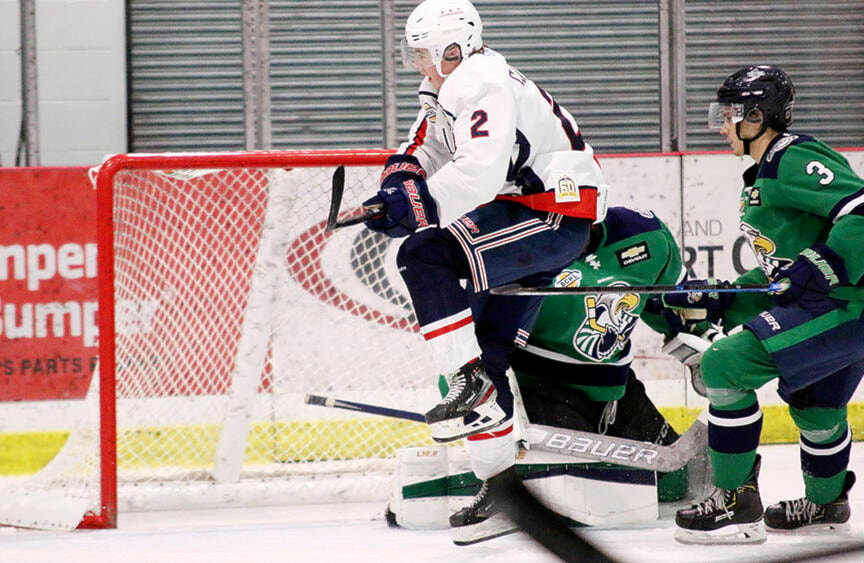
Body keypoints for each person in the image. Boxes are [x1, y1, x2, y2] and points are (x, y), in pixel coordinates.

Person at [362, 0, 608, 524]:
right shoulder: (447, 84)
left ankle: (465, 373)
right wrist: (398, 184)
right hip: (527, 215)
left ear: (454, 47)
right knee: (485, 346)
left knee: (423, 253)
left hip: (552, 216)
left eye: (424, 54)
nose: (419, 64)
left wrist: (416, 207)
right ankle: (500, 487)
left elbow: (478, 172)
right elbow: (423, 147)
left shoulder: (481, 79)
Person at [665, 65, 863, 545]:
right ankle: (825, 503)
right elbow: (783, 271)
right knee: (817, 406)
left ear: (757, 116)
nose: (719, 125)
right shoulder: (762, 172)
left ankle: (733, 502)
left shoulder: (792, 157)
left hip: (845, 304)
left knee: (724, 366)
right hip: (836, 304)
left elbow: (860, 212)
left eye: (727, 114)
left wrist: (821, 266)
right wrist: (726, 295)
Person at [447, 205, 709, 539]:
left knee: (679, 483)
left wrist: (700, 347)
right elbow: (468, 356)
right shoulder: (511, 253)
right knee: (591, 501)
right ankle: (503, 483)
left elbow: (673, 303)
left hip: (619, 393)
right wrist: (496, 429)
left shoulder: (644, 234)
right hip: (545, 393)